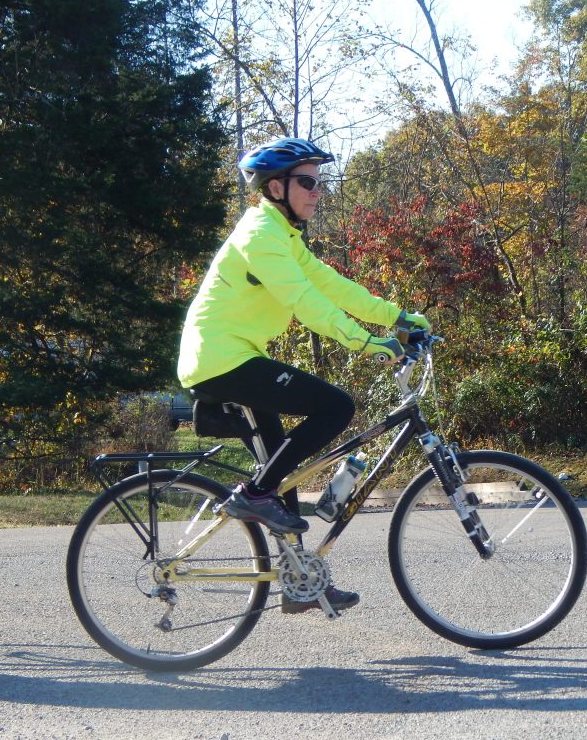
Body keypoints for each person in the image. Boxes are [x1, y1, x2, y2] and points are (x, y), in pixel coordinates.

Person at [177, 137, 429, 613]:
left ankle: (298, 583)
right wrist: (367, 342)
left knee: (280, 474)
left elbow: (331, 285)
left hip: (235, 358)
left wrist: (395, 317)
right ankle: (254, 495)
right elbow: (303, 302)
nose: (318, 191)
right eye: (309, 182)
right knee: (335, 406)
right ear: (276, 187)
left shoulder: (283, 236)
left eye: (321, 182)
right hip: (220, 361)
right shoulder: (260, 236)